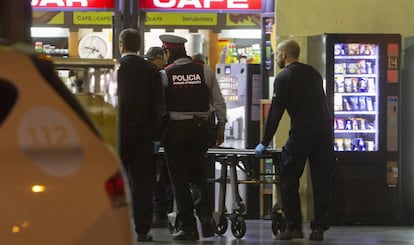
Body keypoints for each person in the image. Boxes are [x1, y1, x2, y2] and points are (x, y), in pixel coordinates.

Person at [255, 39, 335, 241]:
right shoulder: (313, 73)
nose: (275, 58)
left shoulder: (283, 77)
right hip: (324, 132)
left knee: (288, 179)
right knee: (321, 181)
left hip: (302, 132)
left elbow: (275, 113)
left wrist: (264, 142)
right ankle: (318, 229)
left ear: (284, 54)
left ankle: (294, 227)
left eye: (277, 55)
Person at [159, 34, 226, 241]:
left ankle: (188, 227)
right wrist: (221, 127)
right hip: (200, 130)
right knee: (199, 176)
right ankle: (206, 218)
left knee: (179, 180)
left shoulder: (165, 74)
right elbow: (219, 102)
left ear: (168, 52)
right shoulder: (204, 70)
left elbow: (159, 107)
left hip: (176, 132)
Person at [117, 28, 163, 242]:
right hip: (144, 133)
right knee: (143, 181)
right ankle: (143, 228)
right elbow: (158, 104)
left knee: (116, 180)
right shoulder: (151, 70)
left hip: (119, 133)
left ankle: (116, 223)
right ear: (140, 46)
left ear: (122, 46)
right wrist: (156, 134)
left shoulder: (116, 68)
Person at [144, 46, 173, 228]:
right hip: (157, 132)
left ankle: (159, 212)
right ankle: (160, 212)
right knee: (159, 175)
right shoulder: (156, 75)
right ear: (158, 58)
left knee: (157, 175)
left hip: (152, 132)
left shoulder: (151, 74)